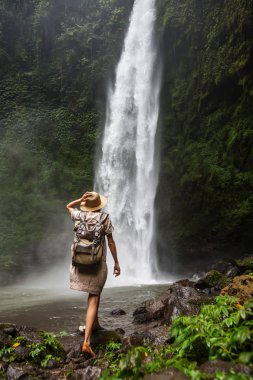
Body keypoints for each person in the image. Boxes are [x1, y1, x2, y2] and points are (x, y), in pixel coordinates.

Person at [66, 191, 120, 357]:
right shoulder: (104, 218)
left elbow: (68, 206)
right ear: (99, 205)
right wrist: (116, 262)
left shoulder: (79, 215)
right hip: (96, 262)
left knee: (94, 294)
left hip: (80, 261)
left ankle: (94, 324)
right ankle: (87, 342)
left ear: (86, 205)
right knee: (94, 297)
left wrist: (80, 199)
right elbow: (110, 241)